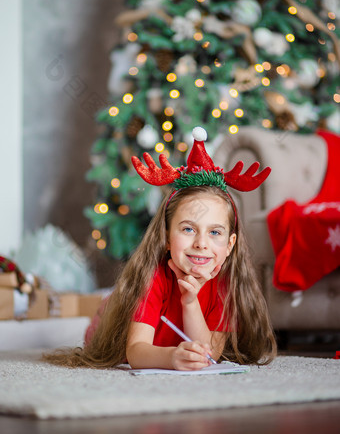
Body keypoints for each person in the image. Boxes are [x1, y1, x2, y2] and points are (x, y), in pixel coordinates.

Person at [43, 127, 277, 369]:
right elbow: (135, 351)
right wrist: (171, 358)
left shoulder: (227, 284)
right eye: (188, 229)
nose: (201, 243)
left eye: (215, 232)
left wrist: (190, 301)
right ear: (166, 236)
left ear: (230, 245)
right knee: (102, 323)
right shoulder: (153, 277)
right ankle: (100, 306)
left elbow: (209, 354)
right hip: (112, 320)